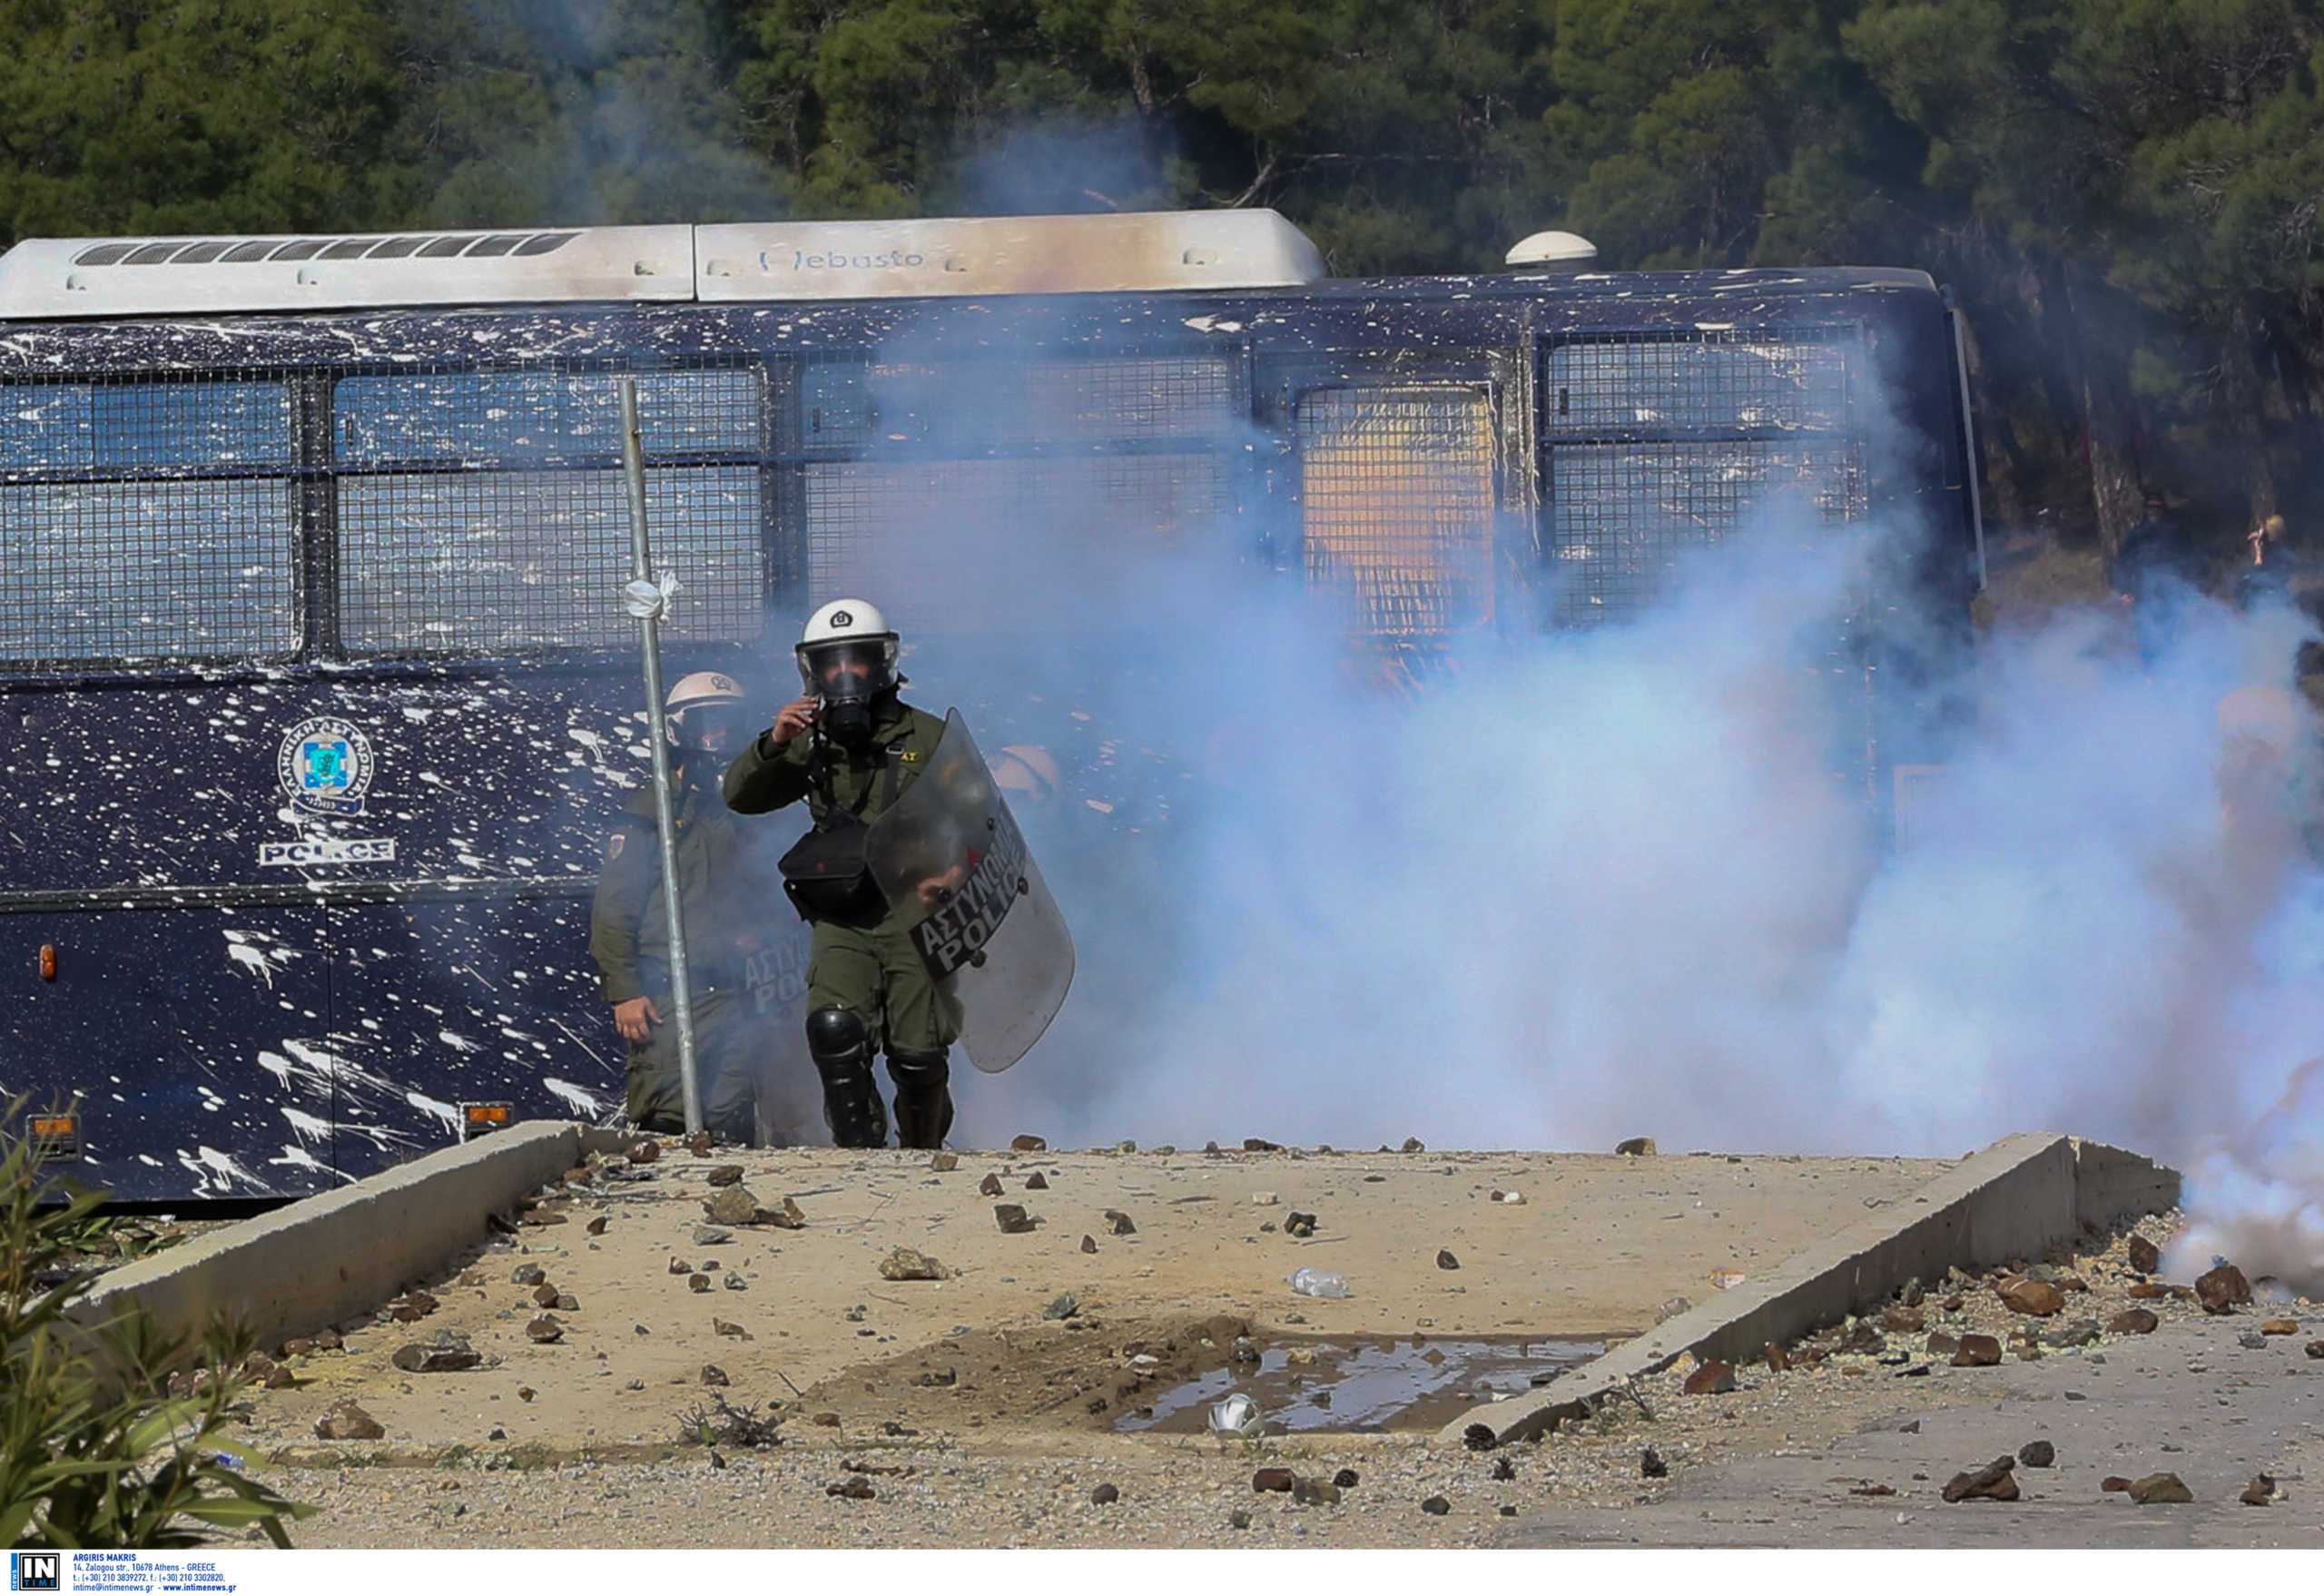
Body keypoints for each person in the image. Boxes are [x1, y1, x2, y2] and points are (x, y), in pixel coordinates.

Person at [722, 600, 961, 1149]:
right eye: (831, 663)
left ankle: (925, 1158)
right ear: (813, 670)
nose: (844, 673)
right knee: (835, 1032)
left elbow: (976, 817)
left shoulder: (929, 737)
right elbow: (741, 797)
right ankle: (860, 1156)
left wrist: (947, 873)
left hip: (915, 915)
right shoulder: (810, 738)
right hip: (844, 917)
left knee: (918, 1055)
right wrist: (775, 743)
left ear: (883, 661)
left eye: (856, 659)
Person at [589, 670, 817, 1146]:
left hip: (739, 990)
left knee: (731, 1112)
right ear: (677, 729)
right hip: (671, 994)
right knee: (669, 1115)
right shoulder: (650, 813)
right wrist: (625, 992)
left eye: (728, 722)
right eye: (705, 722)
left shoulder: (747, 806)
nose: (718, 734)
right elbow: (614, 910)